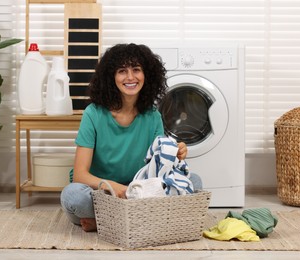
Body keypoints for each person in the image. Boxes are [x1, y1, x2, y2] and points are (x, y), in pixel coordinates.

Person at [60, 43, 203, 232]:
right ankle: (137, 221)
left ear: (147, 75)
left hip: (138, 192)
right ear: (111, 77)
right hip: (100, 193)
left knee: (194, 181)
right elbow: (80, 175)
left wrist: (174, 153)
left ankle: (107, 222)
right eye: (122, 71)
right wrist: (117, 189)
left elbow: (158, 166)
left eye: (136, 69)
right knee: (73, 196)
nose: (130, 77)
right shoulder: (93, 114)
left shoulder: (152, 116)